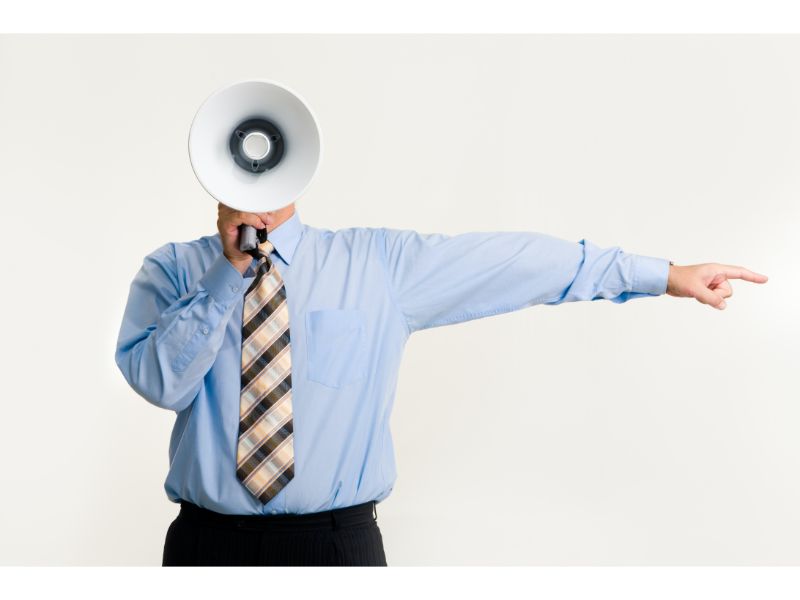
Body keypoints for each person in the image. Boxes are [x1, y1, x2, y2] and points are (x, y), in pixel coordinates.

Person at [114, 202, 768, 566]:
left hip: (334, 550)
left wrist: (662, 273)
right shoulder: (174, 271)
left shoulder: (377, 265)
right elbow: (161, 385)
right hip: (207, 547)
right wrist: (228, 274)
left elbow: (514, 262)